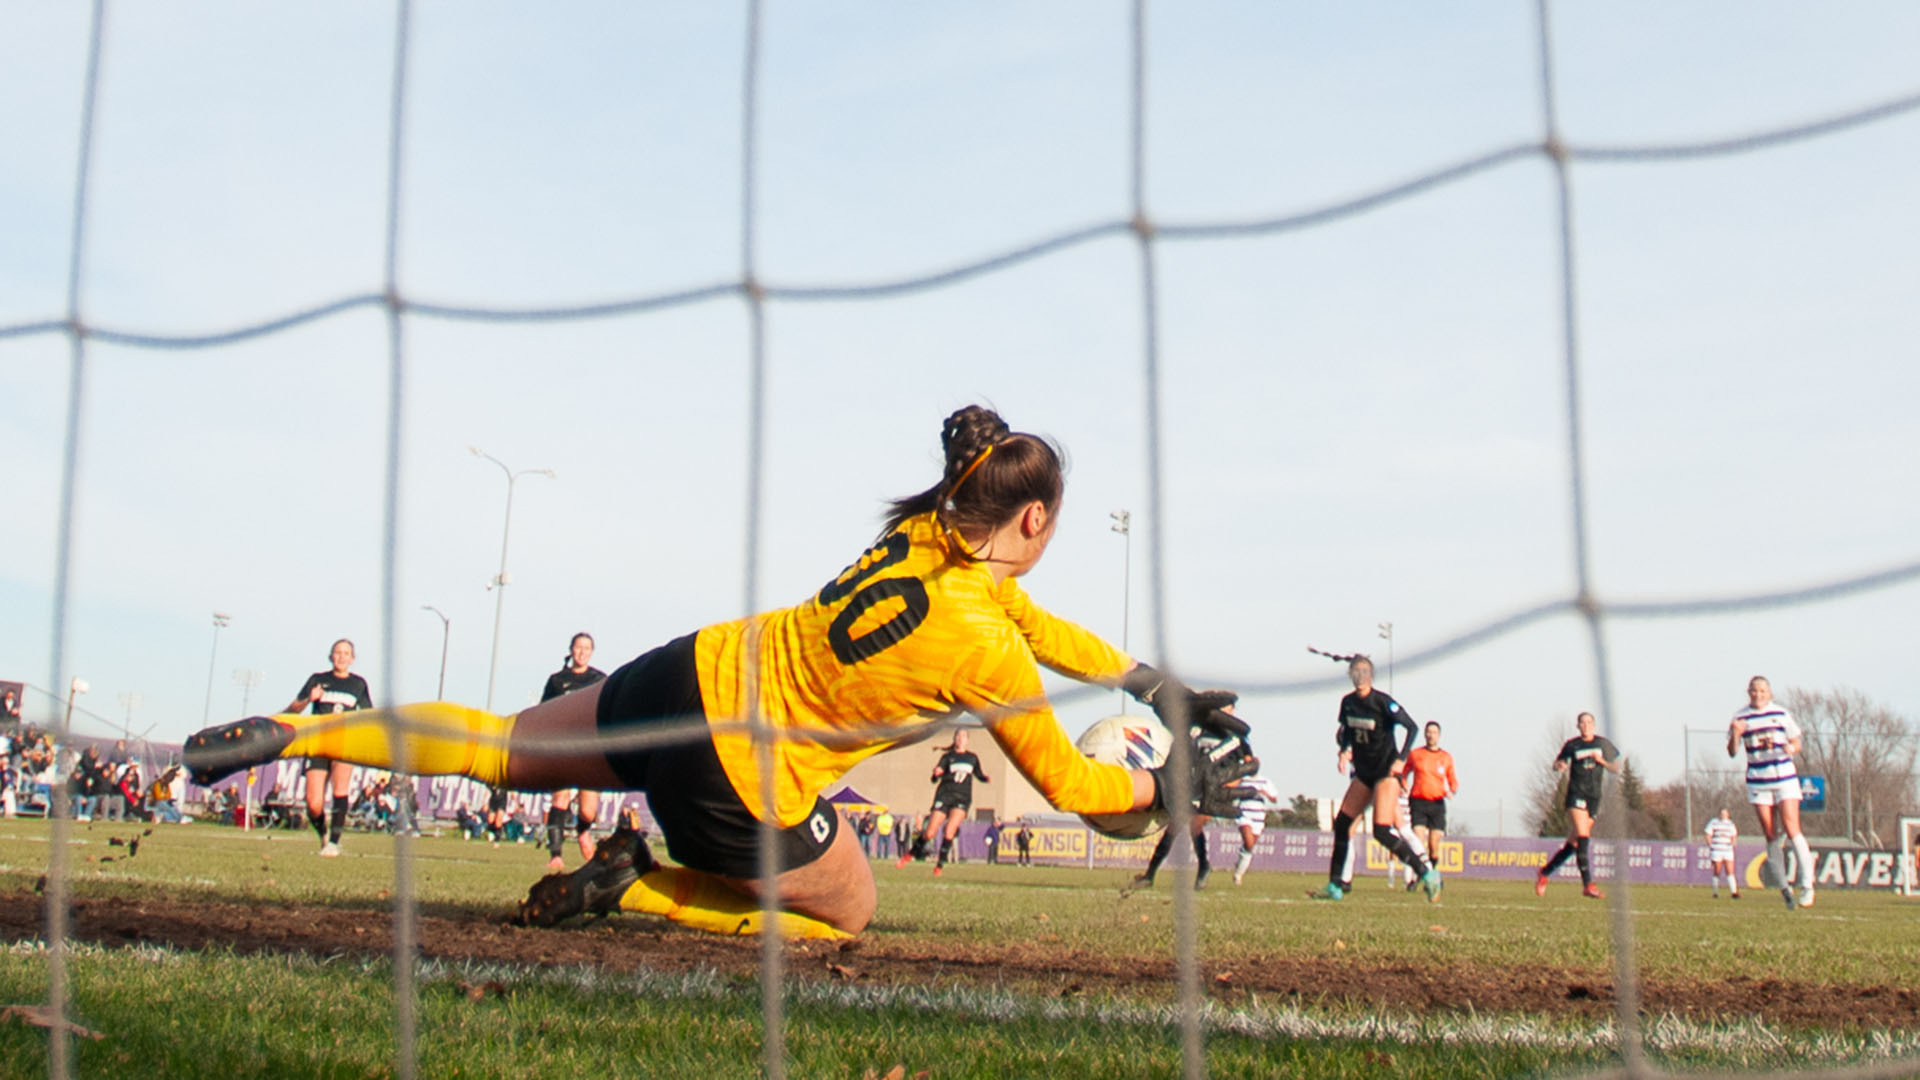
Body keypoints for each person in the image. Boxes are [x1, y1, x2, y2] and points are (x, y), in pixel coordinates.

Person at [186, 404, 1257, 939]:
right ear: (1035, 517)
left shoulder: (925, 539)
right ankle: (643, 882)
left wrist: (1141, 677)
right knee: (847, 917)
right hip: (738, 775)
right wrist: (1164, 792)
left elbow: (1032, 618)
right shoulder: (980, 645)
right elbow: (1076, 791)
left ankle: (298, 732)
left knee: (508, 744)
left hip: (691, 669)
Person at [1308, 653, 1441, 902]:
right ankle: (1335, 885)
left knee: (1381, 830)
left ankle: (1426, 874)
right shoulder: (1347, 703)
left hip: (1385, 772)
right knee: (1342, 824)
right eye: (1355, 672)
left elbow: (1411, 727)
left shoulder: (1382, 702)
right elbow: (1347, 731)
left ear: (1370, 676)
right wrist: (1344, 751)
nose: (1360, 677)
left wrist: (1401, 759)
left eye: (1364, 672)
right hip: (1364, 772)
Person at [1728, 675, 1815, 909]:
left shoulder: (1781, 715)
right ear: (1749, 692)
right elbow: (1732, 751)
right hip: (1758, 781)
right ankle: (1785, 889)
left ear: (1770, 693)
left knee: (1792, 828)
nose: (1759, 694)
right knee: (1770, 835)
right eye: (1755, 691)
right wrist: (1736, 734)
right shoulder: (1740, 717)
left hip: (1784, 778)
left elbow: (1797, 743)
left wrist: (1790, 747)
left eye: (1763, 691)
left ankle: (1807, 885)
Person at [284, 639, 373, 856]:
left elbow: (369, 715)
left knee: (340, 790)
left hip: (344, 743)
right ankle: (323, 835)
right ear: (331, 656)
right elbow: (293, 709)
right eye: (337, 652)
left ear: (352, 659)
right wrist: (309, 698)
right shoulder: (318, 679)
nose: (341, 657)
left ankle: (334, 842)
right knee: (313, 803)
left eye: (346, 653)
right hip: (318, 742)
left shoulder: (358, 684)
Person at [540, 632, 609, 870]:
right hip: (563, 749)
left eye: (586, 648)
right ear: (571, 650)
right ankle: (556, 855)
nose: (581, 652)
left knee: (588, 811)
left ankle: (583, 832)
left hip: (589, 750)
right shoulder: (557, 681)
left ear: (591, 652)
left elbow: (607, 711)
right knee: (560, 798)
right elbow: (544, 712)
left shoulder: (600, 679)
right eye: (578, 647)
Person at [1536, 712, 1621, 899]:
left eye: (1589, 722)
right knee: (1583, 836)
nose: (1586, 725)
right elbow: (1557, 764)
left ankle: (1545, 872)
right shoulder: (1572, 745)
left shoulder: (1602, 744)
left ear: (1594, 725)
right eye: (1582, 722)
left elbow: (1616, 767)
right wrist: (1560, 766)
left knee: (1574, 844)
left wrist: (1603, 762)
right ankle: (1588, 884)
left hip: (1594, 798)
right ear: (1578, 726)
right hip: (1576, 795)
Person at [900, 729, 990, 877]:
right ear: (954, 739)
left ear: (967, 740)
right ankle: (910, 854)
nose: (960, 739)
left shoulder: (972, 758)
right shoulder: (947, 757)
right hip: (944, 796)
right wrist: (936, 774)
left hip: (962, 798)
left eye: (963, 736)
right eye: (958, 736)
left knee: (949, 830)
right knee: (929, 833)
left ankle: (939, 865)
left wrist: (986, 778)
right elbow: (934, 779)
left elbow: (979, 774)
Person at [1403, 722, 1458, 887]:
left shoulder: (1446, 757)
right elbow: (1404, 771)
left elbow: (1453, 781)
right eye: (1428, 732)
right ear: (1425, 734)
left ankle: (1429, 875)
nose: (1430, 735)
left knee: (1434, 845)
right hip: (1418, 801)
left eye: (1434, 732)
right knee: (1418, 841)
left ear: (1438, 736)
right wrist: (1403, 784)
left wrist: (1452, 791)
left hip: (1437, 804)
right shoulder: (1416, 754)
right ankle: (1420, 874)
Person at [1227, 773, 1280, 885]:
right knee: (1249, 843)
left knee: (1248, 848)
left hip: (1259, 817)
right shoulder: (1242, 780)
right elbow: (1228, 788)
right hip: (1244, 815)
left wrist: (1265, 794)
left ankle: (1239, 870)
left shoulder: (1264, 781)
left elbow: (1274, 798)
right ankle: (1238, 875)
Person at [1133, 814, 1211, 890]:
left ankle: (1204, 866)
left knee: (1195, 825)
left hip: (1201, 802)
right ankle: (1149, 875)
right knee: (1174, 826)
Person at [1704, 807, 1740, 899]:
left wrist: (1733, 844)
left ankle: (1734, 892)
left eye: (1725, 813)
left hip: (1727, 850)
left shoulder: (1730, 824)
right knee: (1717, 871)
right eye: (1721, 813)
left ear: (1728, 815)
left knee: (1730, 871)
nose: (1723, 815)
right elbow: (1708, 834)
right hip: (1717, 850)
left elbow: (1733, 836)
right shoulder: (1714, 822)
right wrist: (1710, 845)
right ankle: (1715, 892)